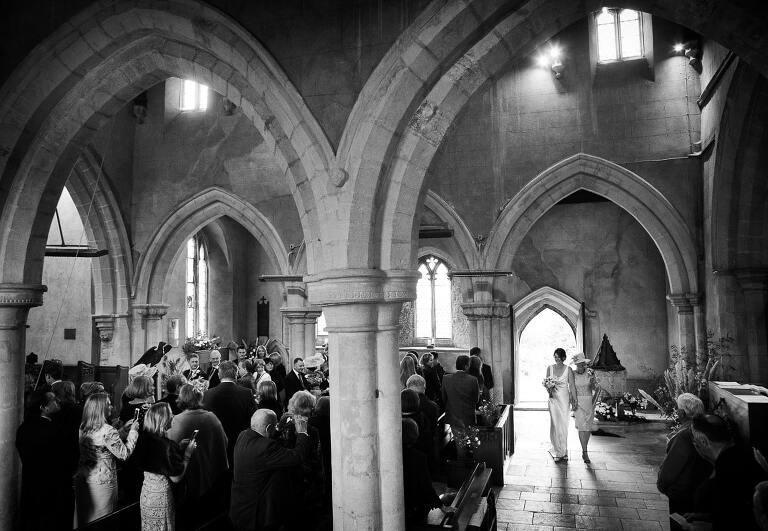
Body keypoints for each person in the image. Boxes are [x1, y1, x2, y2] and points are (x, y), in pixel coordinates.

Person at [229, 409, 313, 531]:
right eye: (275, 425)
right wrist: (302, 433)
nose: (277, 428)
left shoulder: (243, 435)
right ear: (269, 428)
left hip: (240, 506)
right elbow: (298, 456)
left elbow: (266, 436)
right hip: (256, 514)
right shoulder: (266, 448)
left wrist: (282, 428)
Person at [686, 414, 768, 530]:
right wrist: (708, 517)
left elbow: (738, 520)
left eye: (695, 440)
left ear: (704, 442)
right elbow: (736, 510)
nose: (695, 445)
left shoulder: (725, 470)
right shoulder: (743, 453)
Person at [168, 384, 229, 530]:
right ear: (199, 397)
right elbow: (225, 442)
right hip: (212, 474)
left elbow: (171, 451)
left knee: (191, 520)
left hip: (190, 477)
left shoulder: (178, 420)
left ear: (181, 398)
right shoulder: (211, 416)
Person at [75, 392, 140, 525]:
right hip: (103, 482)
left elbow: (104, 444)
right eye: (109, 405)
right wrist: (133, 432)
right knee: (103, 520)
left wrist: (122, 430)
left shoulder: (84, 427)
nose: (112, 407)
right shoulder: (108, 430)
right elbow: (124, 454)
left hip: (85, 478)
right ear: (100, 408)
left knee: (87, 517)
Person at [133, 402, 197, 531]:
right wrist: (187, 454)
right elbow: (176, 478)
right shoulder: (167, 446)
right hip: (161, 497)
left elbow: (158, 461)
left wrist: (178, 447)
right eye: (170, 414)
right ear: (163, 420)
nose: (173, 416)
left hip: (146, 494)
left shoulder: (143, 438)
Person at [16, 390, 70, 530]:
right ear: (43, 407)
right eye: (53, 400)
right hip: (52, 487)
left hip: (30, 483)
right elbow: (65, 459)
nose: (57, 401)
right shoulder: (55, 429)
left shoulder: (23, 428)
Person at [657, 393, 711, 529]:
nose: (676, 411)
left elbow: (669, 471)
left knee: (680, 525)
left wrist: (662, 485)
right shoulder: (703, 431)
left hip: (682, 494)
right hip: (697, 492)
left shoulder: (684, 437)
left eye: (677, 409)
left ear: (681, 413)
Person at [402, 418, 454, 524]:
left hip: (399, 504)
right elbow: (426, 487)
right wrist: (442, 506)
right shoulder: (418, 457)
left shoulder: (390, 456)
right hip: (415, 509)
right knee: (450, 497)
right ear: (415, 434)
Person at [203, 360, 256, 463]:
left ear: (219, 375)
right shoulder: (246, 393)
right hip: (241, 445)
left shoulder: (207, 394)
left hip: (216, 446)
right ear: (236, 374)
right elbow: (254, 420)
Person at [544, 347, 576, 462]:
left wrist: (574, 399)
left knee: (563, 424)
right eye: (555, 356)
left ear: (563, 357)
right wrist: (549, 388)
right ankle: (558, 449)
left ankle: (563, 450)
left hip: (564, 400)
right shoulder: (550, 368)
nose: (556, 358)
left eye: (558, 356)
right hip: (553, 400)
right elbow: (546, 383)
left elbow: (571, 386)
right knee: (555, 424)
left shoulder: (569, 369)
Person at [441, 354, 480, 429]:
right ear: (466, 366)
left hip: (453, 416)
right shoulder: (473, 380)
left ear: (456, 366)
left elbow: (444, 398)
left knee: (457, 439)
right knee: (468, 439)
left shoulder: (446, 378)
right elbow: (476, 399)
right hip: (468, 416)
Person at [570, 352, 597, 463]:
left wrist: (592, 382)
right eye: (578, 364)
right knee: (582, 427)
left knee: (588, 427)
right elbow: (571, 389)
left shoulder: (590, 373)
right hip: (578, 402)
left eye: (582, 364)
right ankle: (585, 452)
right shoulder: (572, 374)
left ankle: (584, 449)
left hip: (589, 402)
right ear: (576, 365)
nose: (580, 366)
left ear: (585, 364)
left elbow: (594, 388)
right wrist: (573, 402)